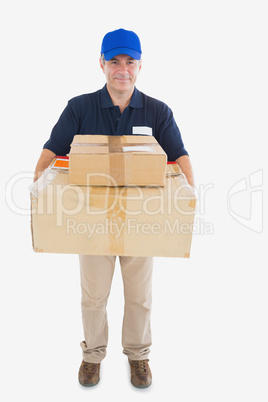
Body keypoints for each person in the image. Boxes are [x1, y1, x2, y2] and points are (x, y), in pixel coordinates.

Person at [34, 28, 194, 389]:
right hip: (91, 220)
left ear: (140, 66)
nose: (122, 69)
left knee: (139, 296)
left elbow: (179, 156)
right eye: (114, 62)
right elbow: (53, 148)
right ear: (102, 64)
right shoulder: (79, 107)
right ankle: (92, 356)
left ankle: (138, 357)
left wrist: (189, 201)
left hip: (142, 221)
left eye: (130, 62)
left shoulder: (157, 111)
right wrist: (39, 190)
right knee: (94, 296)